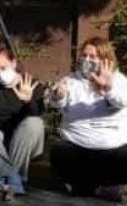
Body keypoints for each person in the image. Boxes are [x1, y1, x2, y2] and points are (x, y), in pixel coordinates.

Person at [49, 37, 127, 202]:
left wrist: (107, 88)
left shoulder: (119, 80)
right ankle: (87, 185)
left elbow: (121, 102)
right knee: (59, 152)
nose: (87, 60)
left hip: (112, 148)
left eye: (93, 56)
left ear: (106, 59)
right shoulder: (72, 80)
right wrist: (58, 95)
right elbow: (57, 104)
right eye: (84, 55)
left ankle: (107, 185)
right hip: (78, 145)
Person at [0, 47, 45, 197]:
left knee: (34, 123)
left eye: (3, 68)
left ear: (14, 63)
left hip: (23, 143)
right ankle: (12, 179)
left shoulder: (31, 84)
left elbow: (37, 113)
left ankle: (6, 177)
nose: (0, 74)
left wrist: (28, 100)